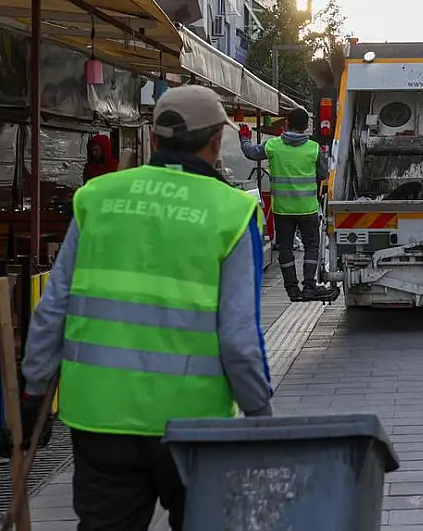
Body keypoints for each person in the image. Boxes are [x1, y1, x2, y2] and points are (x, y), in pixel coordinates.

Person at [20, 85, 274, 531]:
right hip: (194, 424)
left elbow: (53, 305)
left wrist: (34, 389)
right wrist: (260, 416)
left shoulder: (96, 199)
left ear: (153, 140)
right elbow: (238, 338)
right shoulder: (232, 213)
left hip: (100, 418)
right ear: (216, 142)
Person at [239, 107, 336, 302]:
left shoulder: (273, 146)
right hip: (307, 208)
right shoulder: (314, 148)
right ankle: (309, 286)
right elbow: (324, 174)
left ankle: (292, 290)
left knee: (285, 249)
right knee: (311, 246)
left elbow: (250, 153)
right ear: (306, 128)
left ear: (286, 124)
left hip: (282, 209)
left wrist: (244, 137)